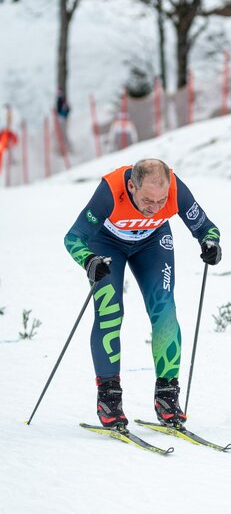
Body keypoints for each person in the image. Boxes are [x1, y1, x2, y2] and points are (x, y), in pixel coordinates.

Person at [64, 159, 221, 430]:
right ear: (131, 186)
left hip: (152, 242)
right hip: (107, 243)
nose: (155, 208)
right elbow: (73, 237)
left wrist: (211, 243)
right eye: (148, 200)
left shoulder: (175, 190)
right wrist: (89, 260)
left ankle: (167, 397)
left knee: (165, 309)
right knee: (110, 312)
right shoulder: (110, 190)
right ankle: (109, 398)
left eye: (162, 201)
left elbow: (206, 227)